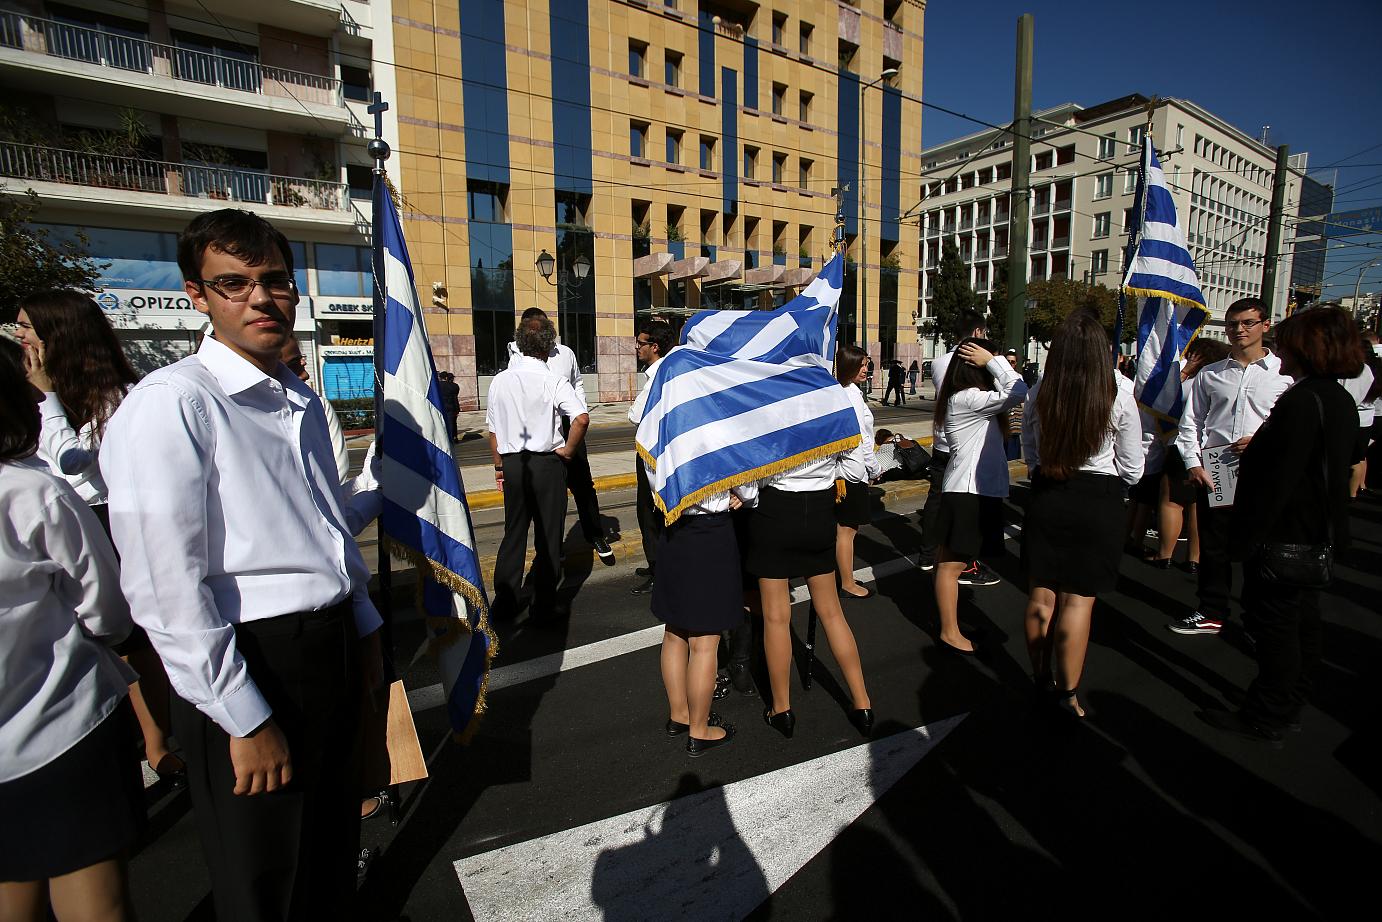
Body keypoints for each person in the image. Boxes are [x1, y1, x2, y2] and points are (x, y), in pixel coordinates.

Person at [99, 208, 384, 919]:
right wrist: (243, 718)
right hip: (254, 665)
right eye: (233, 283)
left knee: (327, 866)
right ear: (197, 295)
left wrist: (368, 633)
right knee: (268, 887)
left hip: (328, 652)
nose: (260, 297)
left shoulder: (299, 401)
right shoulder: (174, 404)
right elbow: (167, 589)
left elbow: (318, 536)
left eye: (275, 280)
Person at [14, 290, 187, 791]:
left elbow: (74, 461)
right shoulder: (36, 393)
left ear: (57, 336)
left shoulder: (115, 398)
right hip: (47, 522)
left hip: (102, 522)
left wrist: (45, 398)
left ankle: (158, 743)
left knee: (128, 642)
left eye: (26, 326)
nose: (19, 336)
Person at [0, 347, 144, 919]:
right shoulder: (30, 492)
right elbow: (107, 609)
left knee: (14, 888)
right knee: (95, 898)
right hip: (60, 725)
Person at [1199, 307, 1362, 745]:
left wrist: (1244, 539)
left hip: (1284, 536)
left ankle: (1267, 711)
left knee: (1276, 628)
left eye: (1287, 343)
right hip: (1315, 534)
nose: (1280, 353)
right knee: (1303, 625)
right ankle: (1289, 701)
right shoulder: (1337, 399)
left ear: (1306, 349)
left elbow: (1278, 480)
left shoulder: (1302, 401)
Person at [1020, 310, 1143, 717]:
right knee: (1077, 602)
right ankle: (1068, 693)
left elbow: (1029, 451)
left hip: (1049, 493)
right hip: (1098, 498)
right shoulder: (1120, 392)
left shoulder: (1040, 391)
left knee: (1041, 595)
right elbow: (1133, 467)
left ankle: (1039, 677)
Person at [1169, 298, 1291, 636]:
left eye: (1248, 323)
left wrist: (1262, 441)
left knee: (1260, 550)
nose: (1239, 329)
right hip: (1217, 470)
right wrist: (1193, 463)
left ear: (1265, 325)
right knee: (1214, 547)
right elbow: (1190, 422)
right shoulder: (1211, 374)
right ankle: (1211, 610)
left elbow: (1293, 426)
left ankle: (1257, 618)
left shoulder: (1284, 374)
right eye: (1233, 323)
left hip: (1264, 473)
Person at [750, 450, 873, 739]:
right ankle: (862, 703)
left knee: (776, 618)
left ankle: (782, 710)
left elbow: (753, 476)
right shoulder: (830, 405)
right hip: (820, 507)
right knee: (831, 612)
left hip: (774, 509)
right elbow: (856, 470)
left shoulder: (766, 408)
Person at [488, 314, 591, 620]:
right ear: (548, 346)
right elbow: (581, 418)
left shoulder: (500, 380)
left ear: (519, 343)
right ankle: (543, 606)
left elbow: (493, 431)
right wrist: (568, 451)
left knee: (514, 532)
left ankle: (504, 603)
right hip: (547, 463)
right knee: (548, 535)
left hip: (513, 463)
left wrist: (499, 467)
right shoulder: (552, 380)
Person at [931, 337, 1027, 654]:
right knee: (951, 566)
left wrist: (990, 361)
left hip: (966, 489)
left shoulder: (965, 398)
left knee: (950, 563)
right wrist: (993, 361)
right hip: (967, 492)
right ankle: (949, 632)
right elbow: (1018, 391)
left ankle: (951, 627)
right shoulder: (968, 398)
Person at [655, 482, 759, 756]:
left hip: (673, 527)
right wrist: (745, 495)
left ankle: (680, 715)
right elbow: (746, 489)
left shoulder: (651, 434)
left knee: (674, 631)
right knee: (705, 642)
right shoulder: (716, 434)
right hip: (710, 530)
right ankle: (699, 731)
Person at [507, 308, 612, 562]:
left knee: (583, 485)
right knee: (547, 491)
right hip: (538, 427)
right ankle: (552, 546)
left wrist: (581, 412)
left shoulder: (566, 354)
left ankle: (595, 534)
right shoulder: (517, 357)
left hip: (568, 425)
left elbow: (577, 383)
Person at [917, 310, 1000, 587]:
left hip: (945, 438)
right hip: (963, 442)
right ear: (977, 333)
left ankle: (928, 553)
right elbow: (1012, 390)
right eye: (984, 334)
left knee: (937, 500)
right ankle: (959, 562)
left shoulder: (940, 362)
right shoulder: (968, 374)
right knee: (958, 513)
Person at [1149, 338, 1230, 568]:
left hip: (1183, 444)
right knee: (1200, 505)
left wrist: (1185, 371)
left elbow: (1166, 401)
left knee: (1172, 501)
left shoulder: (1191, 382)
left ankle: (1165, 553)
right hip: (1214, 448)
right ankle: (1195, 557)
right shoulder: (1221, 379)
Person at [629, 321, 674, 595]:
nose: (637, 347)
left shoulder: (657, 375)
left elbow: (635, 415)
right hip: (660, 452)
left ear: (654, 347)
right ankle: (657, 564)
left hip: (651, 454)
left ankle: (659, 569)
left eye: (641, 343)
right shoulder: (664, 370)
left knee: (649, 513)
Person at [835, 345, 881, 599]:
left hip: (844, 472)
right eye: (861, 364)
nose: (866, 368)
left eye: (867, 363)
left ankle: (841, 578)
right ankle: (847, 582)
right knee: (847, 530)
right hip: (852, 472)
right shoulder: (849, 394)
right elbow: (861, 437)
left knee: (842, 529)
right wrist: (874, 466)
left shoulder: (848, 390)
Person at [1339, 356, 1376, 498]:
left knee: (1353, 460)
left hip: (1351, 416)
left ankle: (1351, 495)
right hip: (1365, 417)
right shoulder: (1366, 369)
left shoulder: (1348, 368)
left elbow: (1348, 394)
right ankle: (1357, 489)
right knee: (1360, 457)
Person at [1003, 349, 1023, 461]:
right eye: (1008, 361)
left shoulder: (1019, 377)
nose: (1011, 364)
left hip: (1016, 415)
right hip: (1005, 414)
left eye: (1013, 362)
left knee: (1014, 442)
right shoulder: (998, 377)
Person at [438, 370, 462, 444]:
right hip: (452, 406)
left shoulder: (437, 385)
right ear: (446, 377)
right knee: (452, 423)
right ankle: (453, 437)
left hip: (441, 406)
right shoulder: (453, 386)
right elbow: (455, 397)